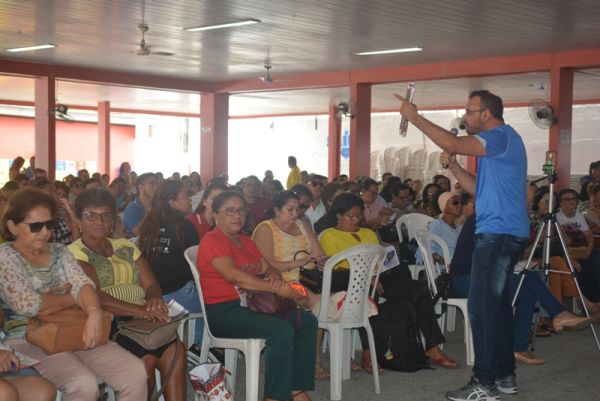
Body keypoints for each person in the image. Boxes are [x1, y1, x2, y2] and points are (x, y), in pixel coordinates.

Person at [396, 89, 529, 400]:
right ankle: (504, 374)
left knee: (481, 309)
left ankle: (484, 382)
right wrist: (455, 168)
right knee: (496, 306)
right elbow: (479, 190)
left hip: (498, 233)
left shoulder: (499, 136)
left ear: (487, 114)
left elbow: (454, 142)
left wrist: (415, 117)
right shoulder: (500, 145)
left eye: (470, 111)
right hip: (504, 231)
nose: (465, 116)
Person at [0, 187, 147, 401]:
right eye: (35, 226)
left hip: (74, 327)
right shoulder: (6, 256)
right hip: (29, 337)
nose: (45, 232)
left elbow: (83, 284)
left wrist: (94, 313)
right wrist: (72, 298)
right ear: (12, 226)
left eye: (49, 224)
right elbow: (28, 305)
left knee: (135, 372)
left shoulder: (59, 251)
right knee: (83, 384)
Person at [68, 188, 187, 401]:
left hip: (143, 318)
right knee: (147, 359)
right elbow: (96, 296)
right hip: (109, 322)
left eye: (106, 215)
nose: (99, 221)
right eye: (91, 215)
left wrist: (154, 301)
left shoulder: (125, 246)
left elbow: (151, 284)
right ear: (78, 220)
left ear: (114, 220)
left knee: (176, 352)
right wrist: (141, 310)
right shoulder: (74, 253)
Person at [198, 190, 317, 401]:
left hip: (254, 305)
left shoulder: (245, 241)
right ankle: (274, 396)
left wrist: (276, 279)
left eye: (241, 211)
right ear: (215, 215)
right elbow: (234, 276)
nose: (237, 216)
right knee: (281, 330)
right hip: (225, 312)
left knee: (306, 321)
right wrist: (275, 289)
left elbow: (268, 267)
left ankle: (296, 388)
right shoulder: (213, 240)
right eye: (229, 211)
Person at [319, 193, 457, 371]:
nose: (355, 220)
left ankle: (432, 346)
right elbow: (336, 268)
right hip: (350, 281)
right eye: (350, 216)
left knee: (419, 289)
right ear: (338, 215)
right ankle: (368, 352)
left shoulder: (367, 232)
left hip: (378, 277)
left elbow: (380, 260)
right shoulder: (329, 235)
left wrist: (387, 265)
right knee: (367, 296)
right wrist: (367, 278)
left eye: (359, 216)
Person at [137, 181, 204, 345]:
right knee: (217, 302)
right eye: (186, 196)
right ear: (172, 203)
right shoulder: (184, 227)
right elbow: (199, 264)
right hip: (179, 294)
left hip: (153, 295)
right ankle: (203, 346)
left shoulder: (148, 226)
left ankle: (195, 344)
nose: (190, 200)